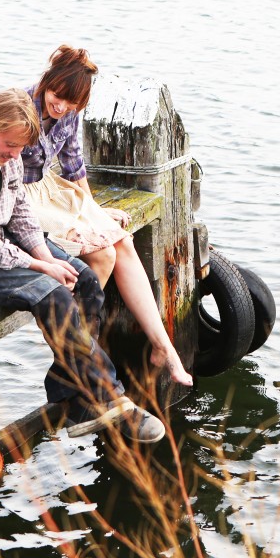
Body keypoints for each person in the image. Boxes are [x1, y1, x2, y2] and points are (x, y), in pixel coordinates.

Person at [0, 87, 166, 443]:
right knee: (53, 295)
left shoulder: (7, 151)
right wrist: (41, 268)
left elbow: (20, 213)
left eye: (20, 149)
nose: (15, 156)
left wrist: (46, 256)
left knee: (85, 280)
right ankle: (109, 398)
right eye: (11, 147)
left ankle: (75, 396)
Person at [23, 45, 194, 387]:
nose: (61, 106)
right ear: (47, 81)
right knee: (104, 252)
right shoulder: (22, 105)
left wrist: (93, 210)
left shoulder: (69, 113)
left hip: (49, 190)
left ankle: (163, 347)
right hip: (22, 198)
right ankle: (75, 356)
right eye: (57, 96)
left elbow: (73, 164)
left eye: (71, 103)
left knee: (122, 242)